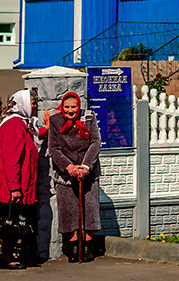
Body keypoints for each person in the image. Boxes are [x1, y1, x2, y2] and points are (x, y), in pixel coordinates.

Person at [0, 89, 41, 270]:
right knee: (11, 221)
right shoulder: (14, 125)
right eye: (33, 102)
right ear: (23, 103)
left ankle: (17, 255)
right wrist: (15, 188)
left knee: (17, 220)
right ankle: (7, 257)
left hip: (18, 182)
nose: (35, 105)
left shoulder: (21, 123)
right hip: (10, 185)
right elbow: (11, 159)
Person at [47, 92, 101, 263]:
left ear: (79, 106)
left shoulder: (89, 117)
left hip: (88, 172)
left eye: (73, 107)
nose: (70, 111)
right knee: (68, 210)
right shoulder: (55, 121)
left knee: (89, 209)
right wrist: (69, 166)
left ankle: (86, 245)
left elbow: (95, 142)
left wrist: (85, 166)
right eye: (67, 107)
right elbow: (54, 148)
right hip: (65, 173)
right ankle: (73, 246)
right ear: (62, 107)